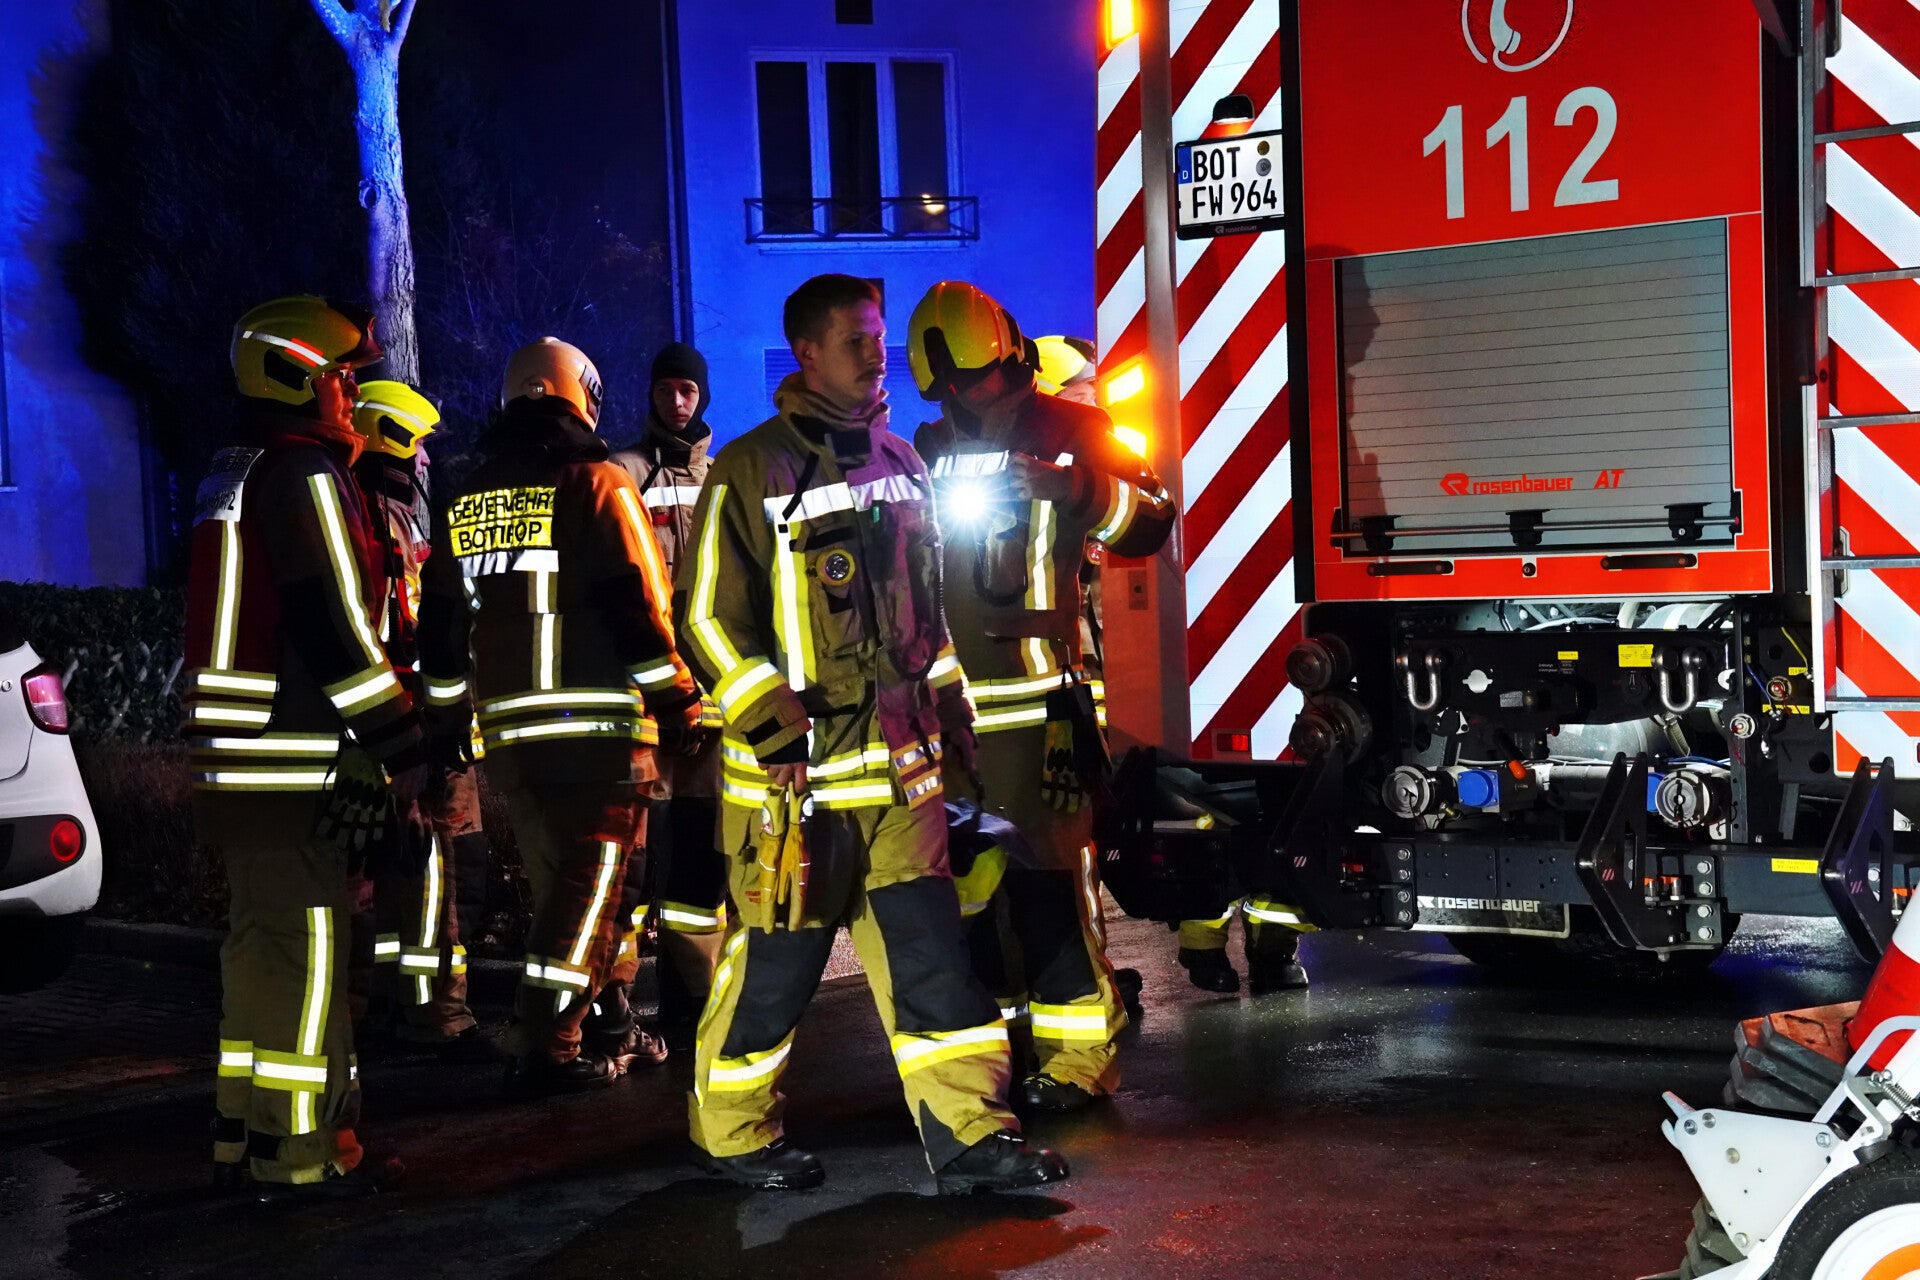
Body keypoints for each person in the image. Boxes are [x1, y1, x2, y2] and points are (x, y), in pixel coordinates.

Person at [678, 273, 1067, 1193]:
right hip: (795, 789)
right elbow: (704, 620)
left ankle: (972, 1135)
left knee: (935, 964)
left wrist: (954, 722)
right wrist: (768, 718)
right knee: (775, 972)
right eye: (855, 341)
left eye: (877, 337)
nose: (874, 354)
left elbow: (923, 623)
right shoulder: (749, 470)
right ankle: (732, 1135)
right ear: (806, 352)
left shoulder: (903, 462)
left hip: (903, 780)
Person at [906, 282, 1175, 1112]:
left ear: (1011, 356)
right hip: (951, 710)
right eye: (948, 389)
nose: (966, 400)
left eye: (978, 381)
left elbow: (1152, 520)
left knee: (1049, 883)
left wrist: (1076, 492)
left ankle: (1079, 1059)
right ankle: (1010, 1044)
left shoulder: (1074, 429)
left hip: (1037, 707)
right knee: (968, 895)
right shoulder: (928, 442)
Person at [418, 337, 703, 1097]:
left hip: (511, 739)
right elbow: (639, 613)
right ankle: (546, 1038)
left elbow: (439, 630)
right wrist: (682, 699)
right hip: (601, 734)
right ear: (581, 394)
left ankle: (608, 1019)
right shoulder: (601, 485)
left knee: (568, 889)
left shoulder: (468, 500)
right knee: (597, 887)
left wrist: (446, 728)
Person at [186, 296, 427, 1197]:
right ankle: (303, 1153)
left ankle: (240, 1134)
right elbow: (334, 622)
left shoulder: (230, 473)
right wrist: (399, 740)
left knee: (257, 951)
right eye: (341, 378)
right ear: (295, 376)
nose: (350, 396)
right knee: (311, 960)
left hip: (233, 758)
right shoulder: (306, 477)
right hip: (294, 761)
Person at [347, 381, 496, 1060]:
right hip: (409, 727)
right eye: (421, 442)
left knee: (391, 877)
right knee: (431, 870)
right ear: (394, 438)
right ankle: (434, 1015)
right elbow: (410, 629)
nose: (429, 458)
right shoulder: (383, 517)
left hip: (386, 727)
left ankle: (386, 1003)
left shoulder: (378, 508)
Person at [610, 344, 727, 1037]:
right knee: (635, 864)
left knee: (699, 858)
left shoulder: (723, 474)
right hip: (646, 701)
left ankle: (693, 1003)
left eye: (688, 390)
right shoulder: (623, 473)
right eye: (666, 390)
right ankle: (619, 1004)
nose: (677, 402)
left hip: (708, 698)